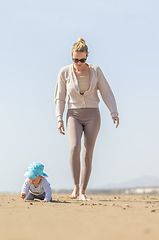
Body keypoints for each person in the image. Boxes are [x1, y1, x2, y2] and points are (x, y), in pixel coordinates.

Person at [54, 37, 119, 200]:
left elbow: (106, 92)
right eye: (75, 59)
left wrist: (114, 112)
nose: (79, 63)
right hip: (73, 114)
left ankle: (83, 191)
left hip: (92, 115)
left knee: (87, 152)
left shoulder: (96, 70)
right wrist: (59, 118)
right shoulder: (64, 72)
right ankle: (75, 188)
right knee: (74, 147)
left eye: (82, 60)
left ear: (87, 57)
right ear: (72, 57)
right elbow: (60, 97)